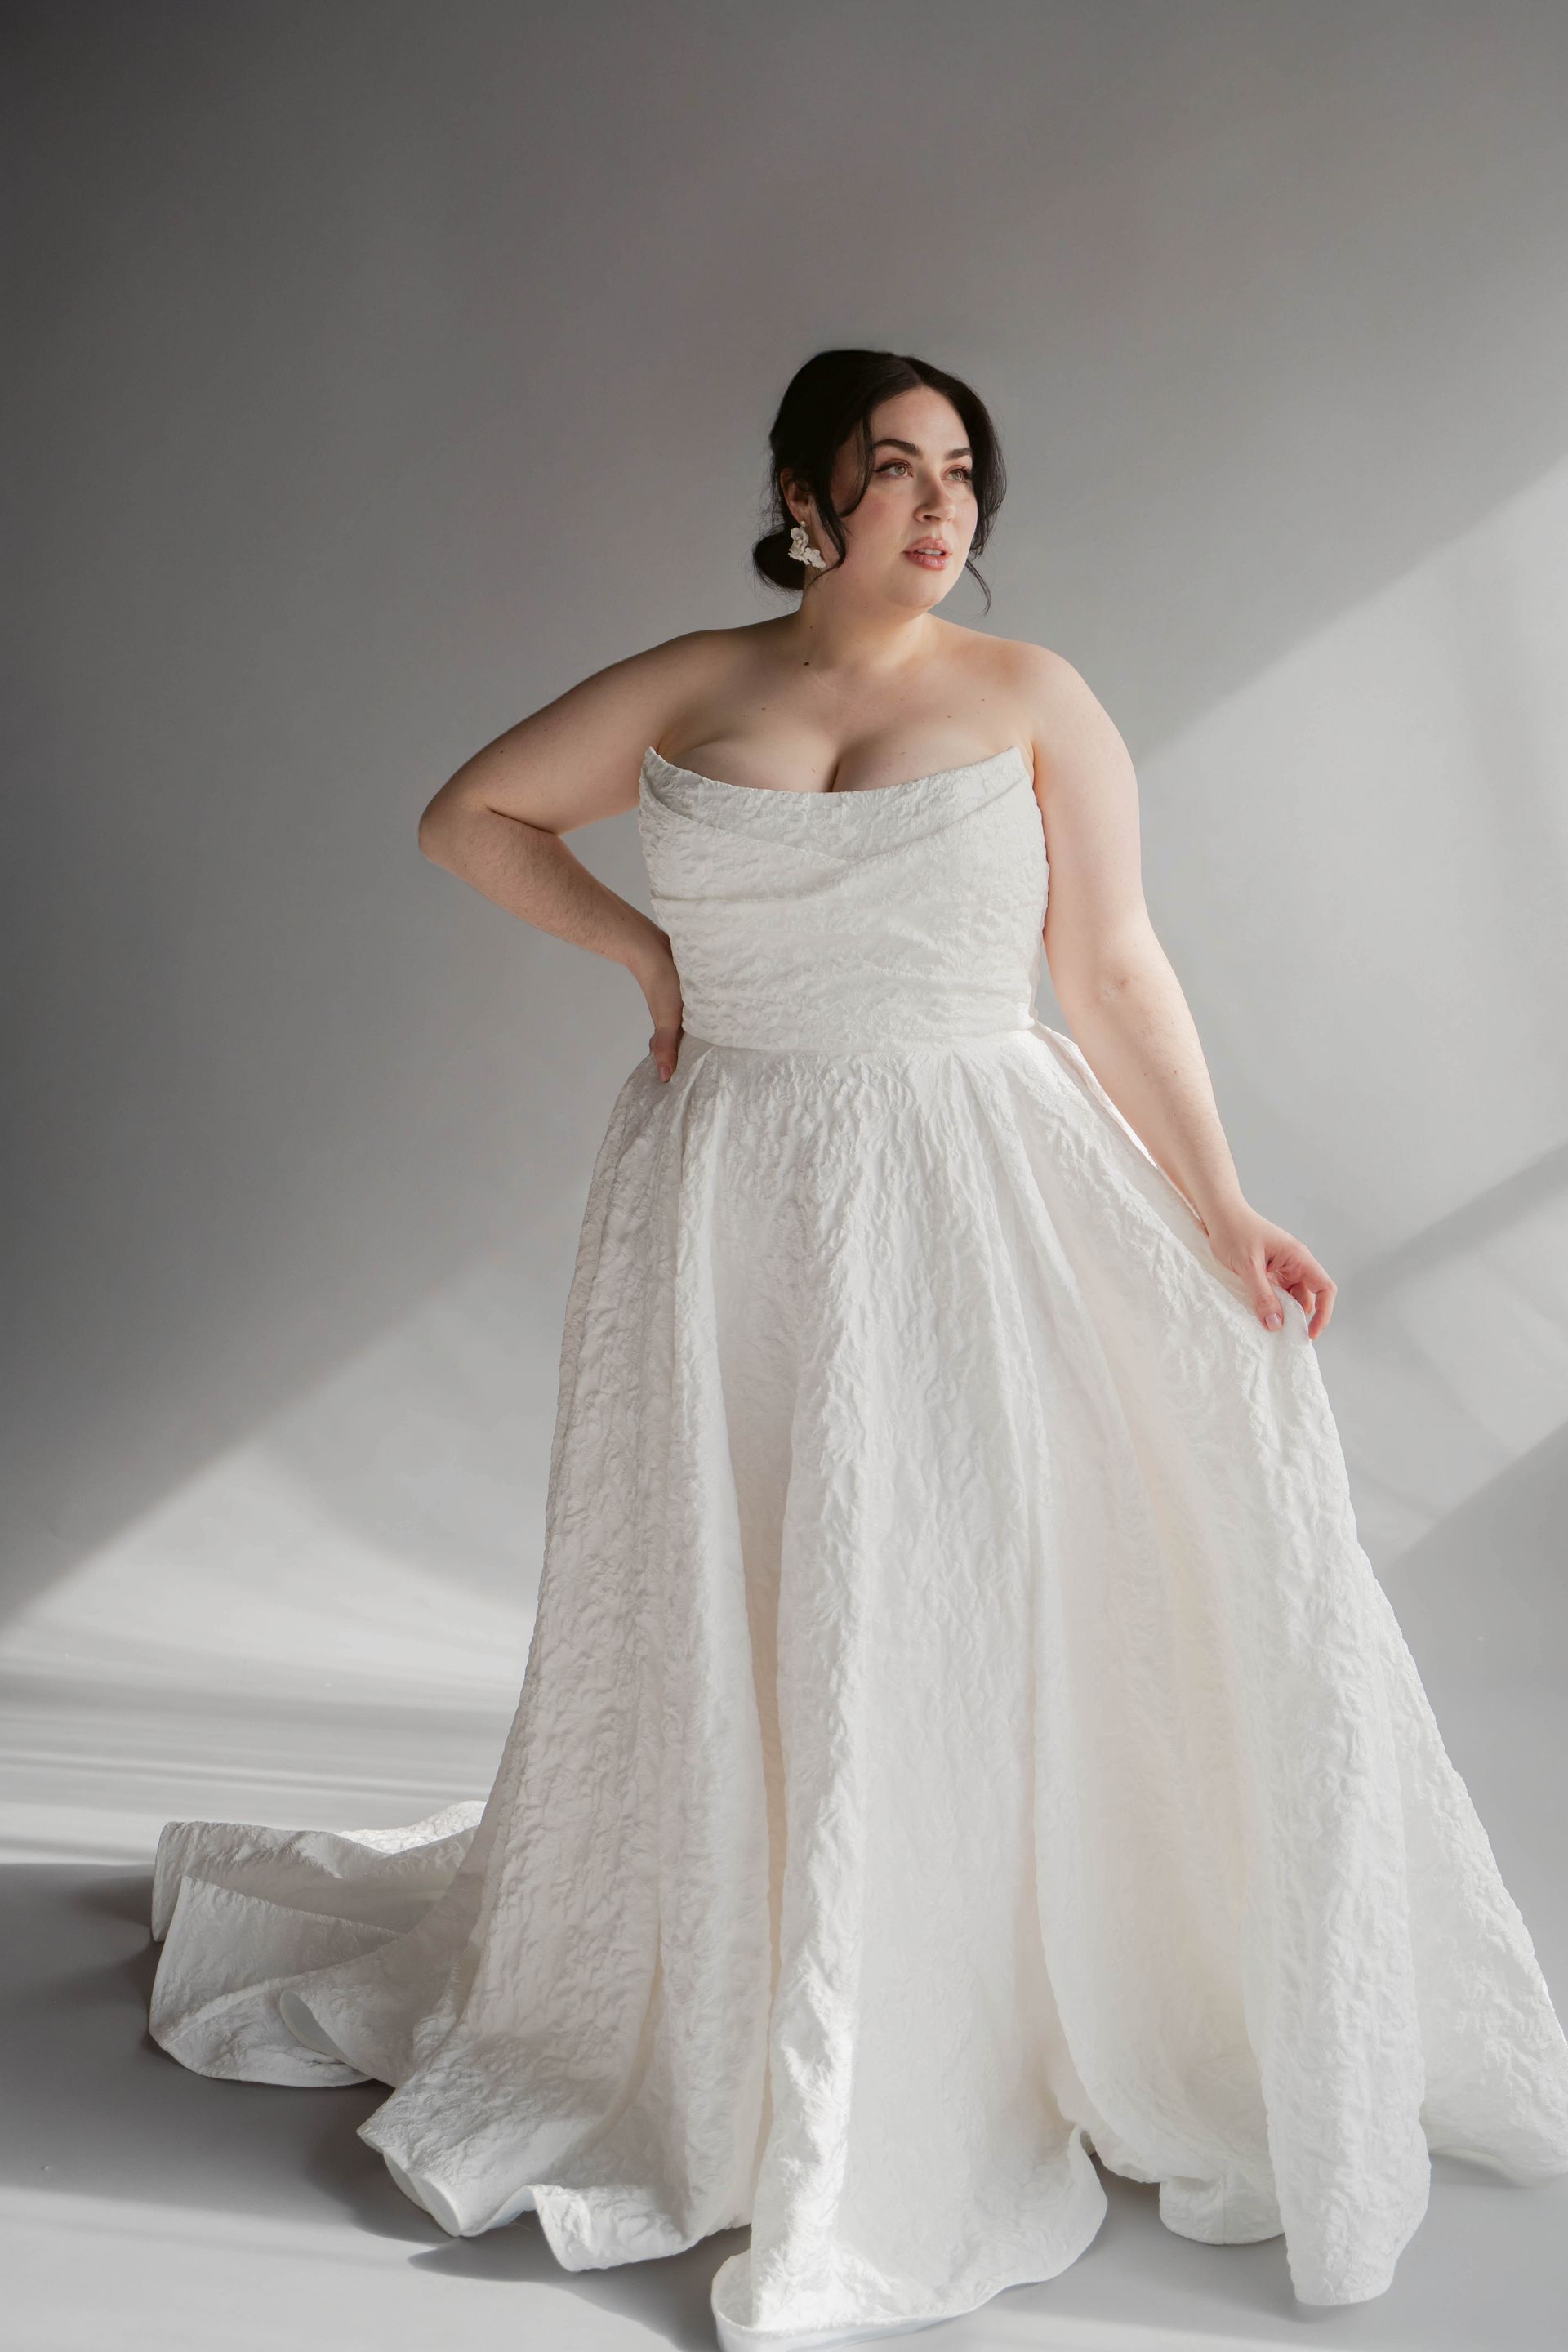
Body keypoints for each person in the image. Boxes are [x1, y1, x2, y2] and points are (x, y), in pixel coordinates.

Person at [147, 348, 1568, 2351]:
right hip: (731, 1190)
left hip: (969, 1183)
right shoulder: (689, 685)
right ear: (806, 499)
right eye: (893, 469)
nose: (938, 505)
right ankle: (747, 1959)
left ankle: (951, 1986)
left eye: (963, 472)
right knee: (753, 1581)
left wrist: (1223, 1200)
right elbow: (468, 816)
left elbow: (1111, 964)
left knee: (955, 1584)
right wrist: (644, 952)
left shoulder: (1031, 698)